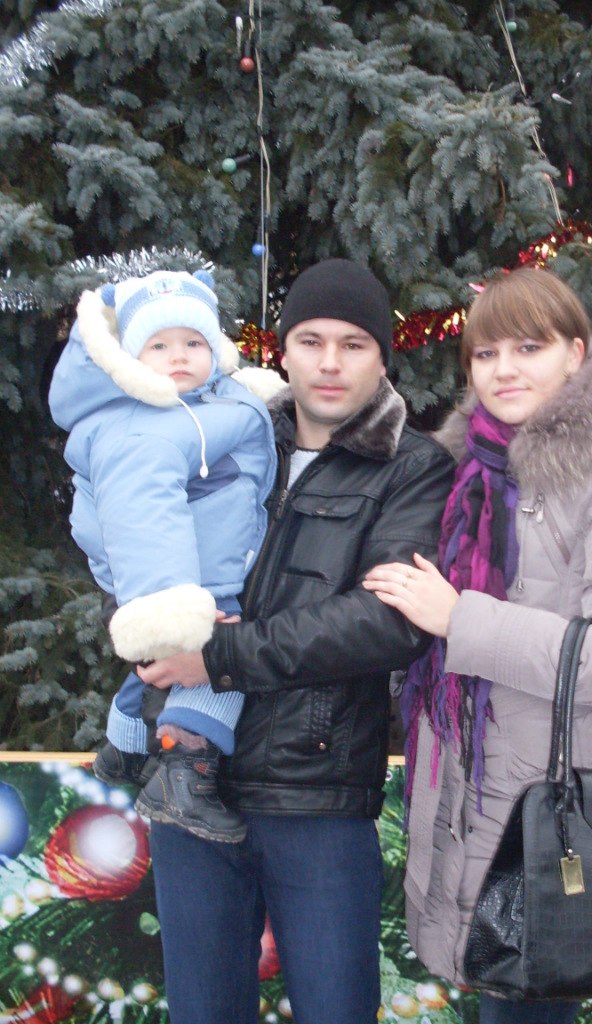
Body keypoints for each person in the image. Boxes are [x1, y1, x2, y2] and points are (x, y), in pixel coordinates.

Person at [363, 267, 592, 1024]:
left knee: (531, 1000)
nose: (503, 370)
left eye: (528, 348)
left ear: (575, 354)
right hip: (470, 787)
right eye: (485, 354)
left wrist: (461, 621)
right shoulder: (469, 470)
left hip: (556, 808)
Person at [136, 258, 455, 1024]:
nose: (330, 362)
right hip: (191, 783)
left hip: (317, 798)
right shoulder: (218, 441)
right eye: (311, 341)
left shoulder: (412, 468)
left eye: (353, 344)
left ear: (383, 357)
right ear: (283, 350)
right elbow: (140, 542)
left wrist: (215, 656)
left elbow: (384, 621)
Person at [48, 269, 279, 843]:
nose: (179, 356)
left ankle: (124, 748)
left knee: (162, 669)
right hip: (184, 576)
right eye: (159, 346)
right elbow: (142, 516)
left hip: (201, 557)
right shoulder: (139, 427)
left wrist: (255, 392)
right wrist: (169, 607)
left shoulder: (187, 402)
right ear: (129, 357)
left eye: (194, 342)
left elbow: (217, 416)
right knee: (217, 664)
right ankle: (186, 775)